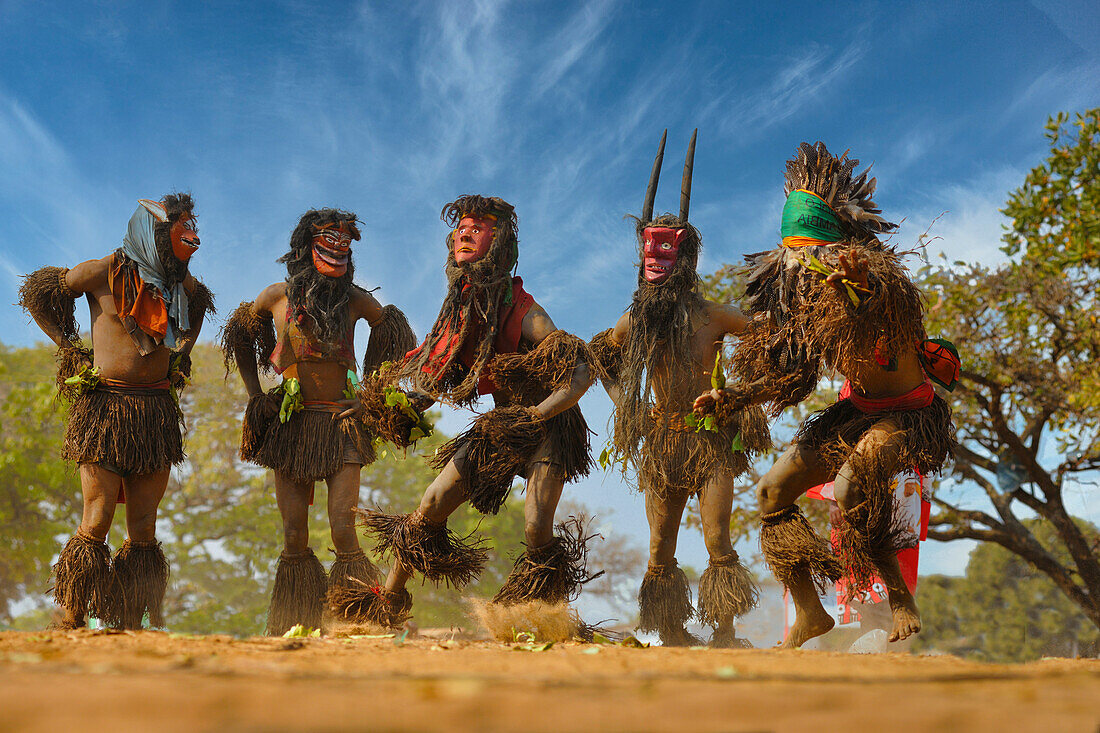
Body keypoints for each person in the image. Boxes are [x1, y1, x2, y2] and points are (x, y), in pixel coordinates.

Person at [693, 142, 958, 648]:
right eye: (790, 255)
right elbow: (792, 378)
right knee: (771, 491)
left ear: (830, 245)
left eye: (806, 253)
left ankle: (899, 597)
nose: (798, 264)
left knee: (852, 485)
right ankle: (812, 615)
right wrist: (735, 398)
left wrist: (861, 285)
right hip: (854, 412)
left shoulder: (878, 277)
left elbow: (883, 308)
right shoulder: (806, 304)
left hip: (908, 414)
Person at [331, 194, 596, 628]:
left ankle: (541, 615)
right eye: (460, 228)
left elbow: (579, 372)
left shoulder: (524, 311)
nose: (464, 233)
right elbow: (436, 377)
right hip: (500, 427)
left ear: (499, 243)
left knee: (534, 527)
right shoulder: (461, 309)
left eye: (478, 228)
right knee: (431, 503)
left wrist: (536, 416)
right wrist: (381, 401)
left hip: (548, 426)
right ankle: (388, 605)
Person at [588, 131, 770, 646]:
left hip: (711, 438)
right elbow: (600, 357)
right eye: (650, 248)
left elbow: (769, 339)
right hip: (663, 440)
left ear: (684, 256)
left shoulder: (713, 316)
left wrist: (740, 396)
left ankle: (726, 629)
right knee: (660, 546)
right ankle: (670, 631)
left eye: (668, 248)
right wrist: (629, 408)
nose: (656, 260)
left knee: (717, 538)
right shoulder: (635, 321)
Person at [19, 194, 214, 629]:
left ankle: (127, 620)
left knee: (144, 528)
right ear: (151, 233)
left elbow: (200, 309)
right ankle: (71, 617)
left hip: (154, 415)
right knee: (99, 513)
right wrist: (69, 347)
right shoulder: (102, 271)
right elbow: (40, 292)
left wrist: (181, 354)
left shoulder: (182, 286)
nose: (187, 240)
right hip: (105, 410)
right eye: (177, 231)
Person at [220, 208, 415, 635]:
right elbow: (240, 333)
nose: (339, 244)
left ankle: (359, 622)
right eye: (330, 236)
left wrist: (370, 399)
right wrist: (256, 397)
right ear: (307, 245)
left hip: (341, 425)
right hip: (292, 428)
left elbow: (397, 340)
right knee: (294, 537)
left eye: (347, 239)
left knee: (344, 529)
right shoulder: (276, 297)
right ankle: (298, 621)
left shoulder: (357, 300)